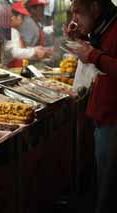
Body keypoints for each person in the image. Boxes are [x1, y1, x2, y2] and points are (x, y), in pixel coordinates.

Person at [70, 0, 117, 212]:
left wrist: (92, 55)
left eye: (78, 12)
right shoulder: (104, 28)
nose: (74, 19)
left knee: (108, 193)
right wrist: (81, 39)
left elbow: (103, 58)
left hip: (113, 120)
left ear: (96, 9)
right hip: (103, 117)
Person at [3, 1, 50, 68]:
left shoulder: (13, 31)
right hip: (10, 68)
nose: (23, 21)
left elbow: (20, 49)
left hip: (16, 66)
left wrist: (35, 50)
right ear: (14, 17)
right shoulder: (11, 31)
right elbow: (13, 52)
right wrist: (34, 51)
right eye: (22, 17)